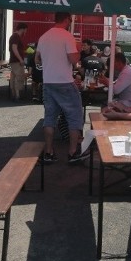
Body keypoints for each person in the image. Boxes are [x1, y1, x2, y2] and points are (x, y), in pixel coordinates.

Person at [35, 12, 87, 164]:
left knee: (49, 117)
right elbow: (73, 60)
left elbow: (37, 58)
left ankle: (49, 152)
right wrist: (78, 49)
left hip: (48, 82)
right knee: (74, 116)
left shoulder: (44, 37)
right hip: (64, 81)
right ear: (67, 20)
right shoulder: (67, 36)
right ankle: (72, 152)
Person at [9, 22, 29, 101]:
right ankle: (17, 95)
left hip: (14, 60)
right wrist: (21, 59)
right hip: (17, 61)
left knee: (14, 77)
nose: (26, 32)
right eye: (26, 30)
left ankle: (14, 94)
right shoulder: (16, 36)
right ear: (23, 29)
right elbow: (14, 48)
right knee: (19, 77)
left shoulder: (14, 36)